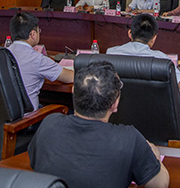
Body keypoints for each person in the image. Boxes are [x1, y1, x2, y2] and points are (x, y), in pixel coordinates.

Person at [28, 61, 169, 188]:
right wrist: (153, 155)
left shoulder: (49, 124)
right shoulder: (129, 139)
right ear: (115, 104)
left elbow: (35, 164)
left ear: (73, 92)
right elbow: (160, 183)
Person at [107, 14, 180, 94]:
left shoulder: (111, 53)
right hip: (154, 104)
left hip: (120, 104)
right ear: (154, 38)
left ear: (129, 33)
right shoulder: (162, 59)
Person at [6, 12, 74, 110]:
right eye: (39, 31)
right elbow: (70, 77)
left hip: (6, 115)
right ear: (33, 34)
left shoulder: (3, 53)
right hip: (29, 117)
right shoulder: (37, 59)